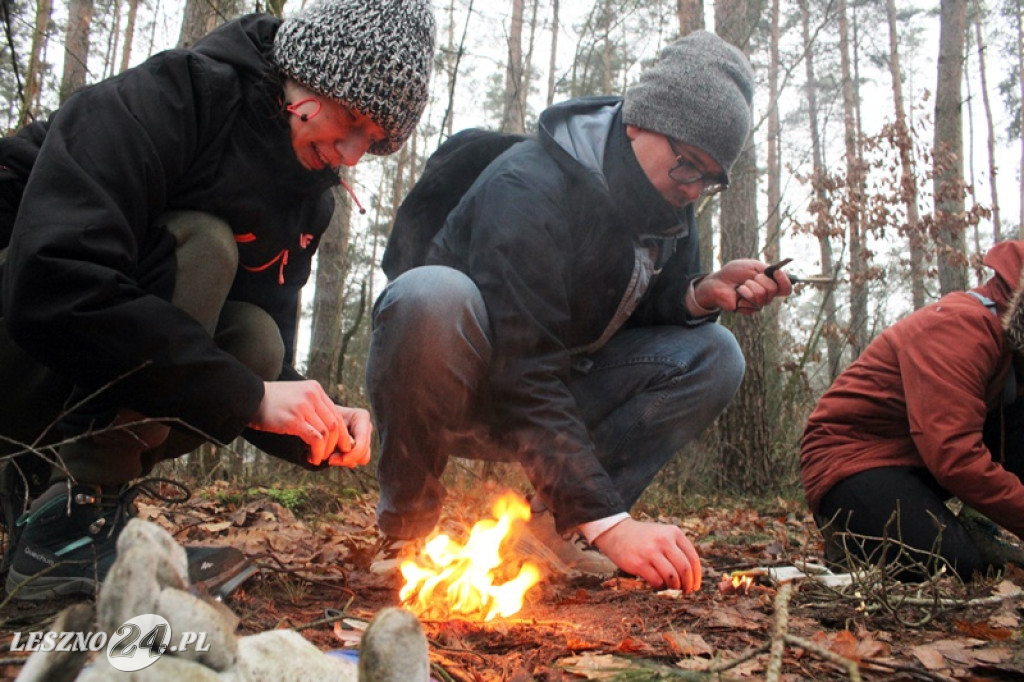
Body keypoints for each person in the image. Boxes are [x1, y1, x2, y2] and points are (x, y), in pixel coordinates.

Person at [0, 0, 435, 600]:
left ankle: (69, 509)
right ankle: (68, 527)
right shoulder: (174, 97)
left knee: (255, 337)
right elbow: (53, 279)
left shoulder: (307, 199)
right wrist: (249, 396)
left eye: (376, 140)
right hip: (21, 334)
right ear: (313, 70)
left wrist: (320, 422)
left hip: (68, 378)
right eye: (353, 120)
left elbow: (256, 365)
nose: (353, 154)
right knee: (203, 246)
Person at [365, 31, 791, 593]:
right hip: (468, 388)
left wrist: (697, 294)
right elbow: (523, 366)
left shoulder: (666, 207)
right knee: (430, 296)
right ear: (640, 121)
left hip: (560, 396)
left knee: (716, 354)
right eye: (688, 166)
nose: (692, 191)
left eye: (709, 179)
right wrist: (612, 522)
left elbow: (622, 319)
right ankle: (408, 531)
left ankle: (546, 531)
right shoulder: (531, 185)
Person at [800, 240, 1024, 581]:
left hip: (915, 461)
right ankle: (855, 542)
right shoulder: (963, 327)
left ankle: (965, 531)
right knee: (956, 568)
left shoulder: (1011, 352)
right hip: (852, 462)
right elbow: (955, 456)